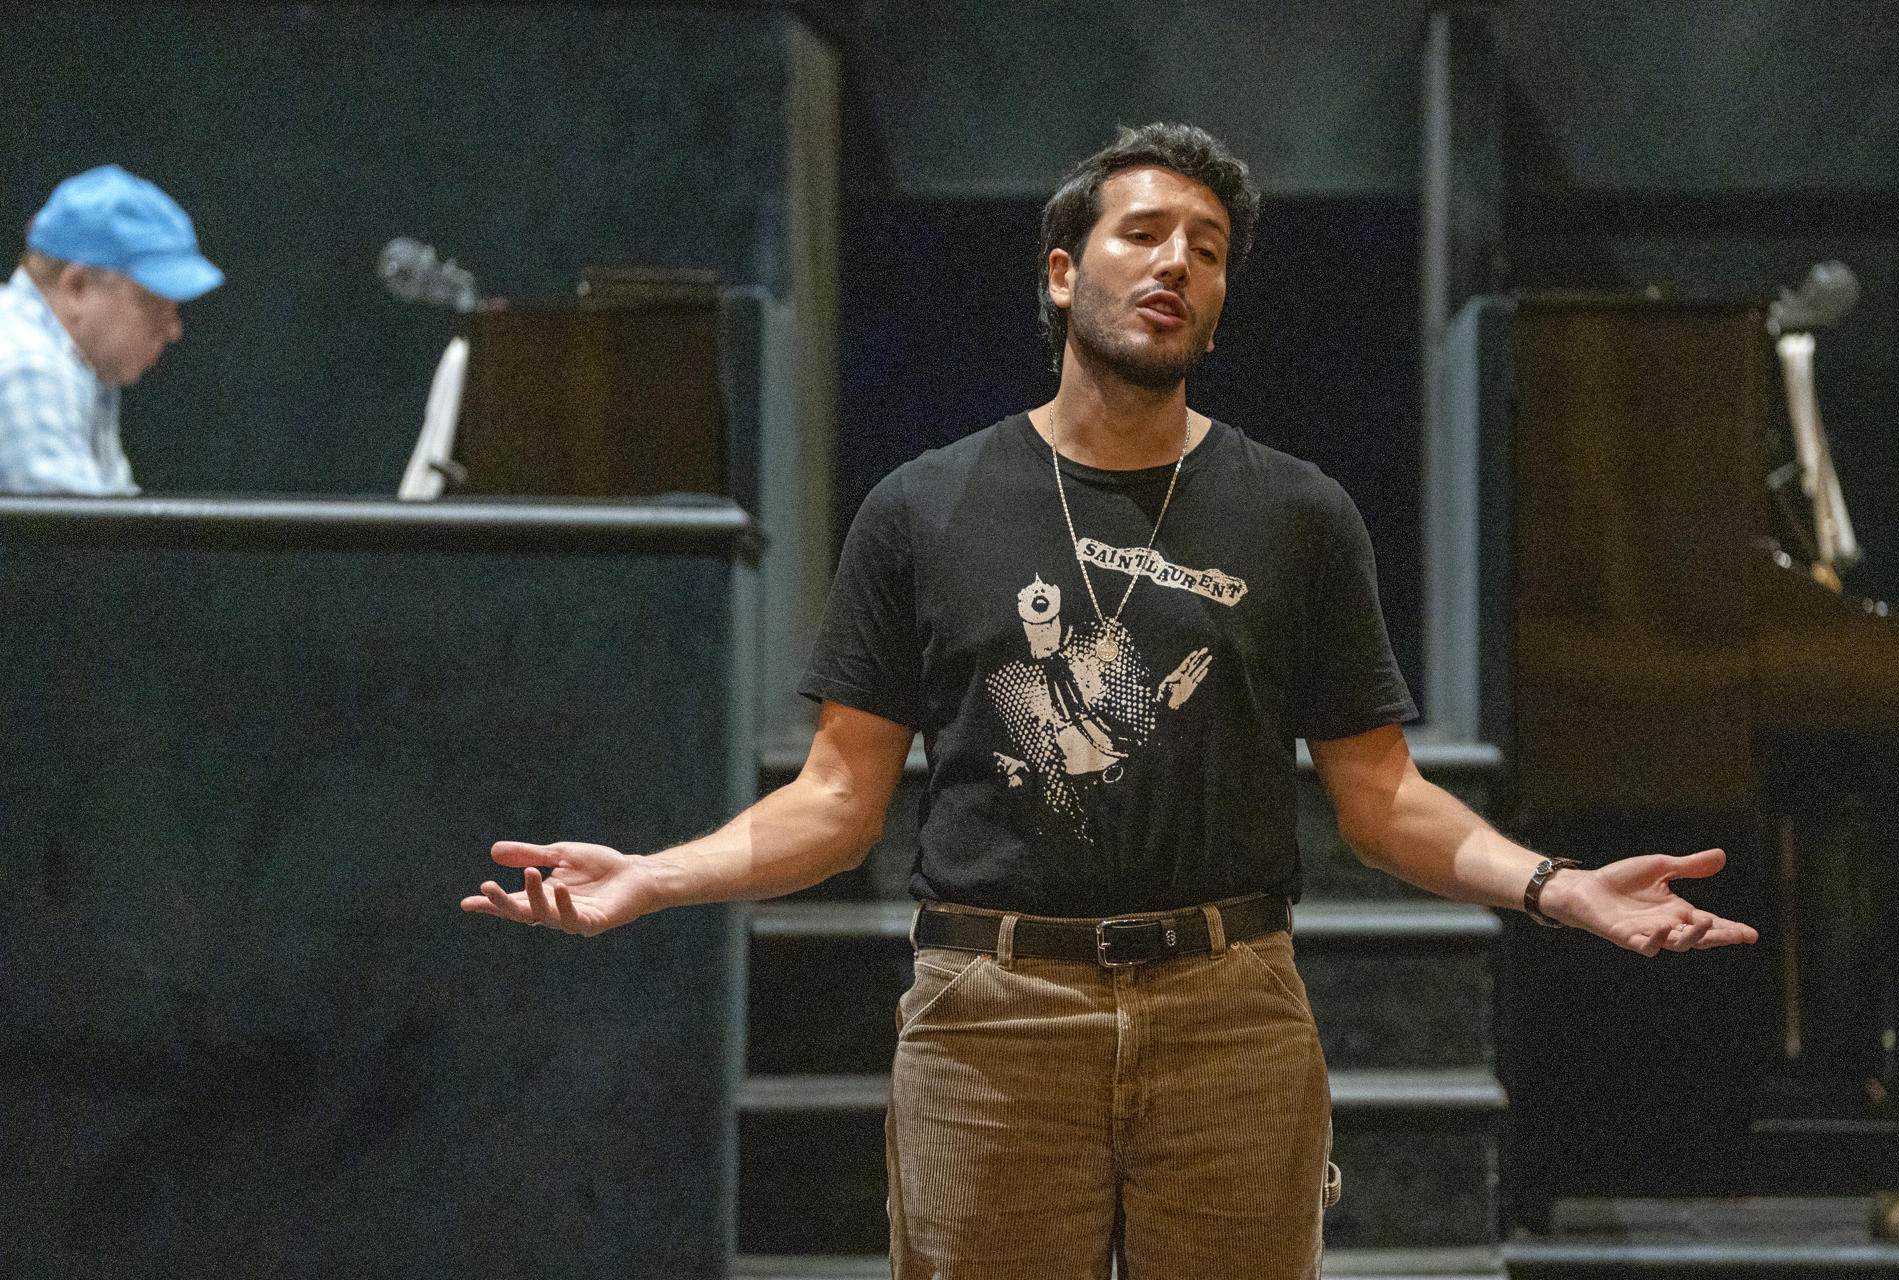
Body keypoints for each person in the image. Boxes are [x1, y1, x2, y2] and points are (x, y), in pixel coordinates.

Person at [462, 123, 1758, 1279]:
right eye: (1143, 233)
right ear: (1062, 271)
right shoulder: (924, 508)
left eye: (1207, 246)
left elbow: (1383, 801)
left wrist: (1560, 886)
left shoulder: (1299, 515)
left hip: (1230, 1012)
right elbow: (837, 799)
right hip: (992, 1015)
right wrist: (651, 879)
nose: (1178, 264)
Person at [0, 164, 223, 494]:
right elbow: (79, 541)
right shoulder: (28, 364)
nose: (174, 329)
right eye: (153, 303)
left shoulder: (80, 364)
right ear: (77, 287)